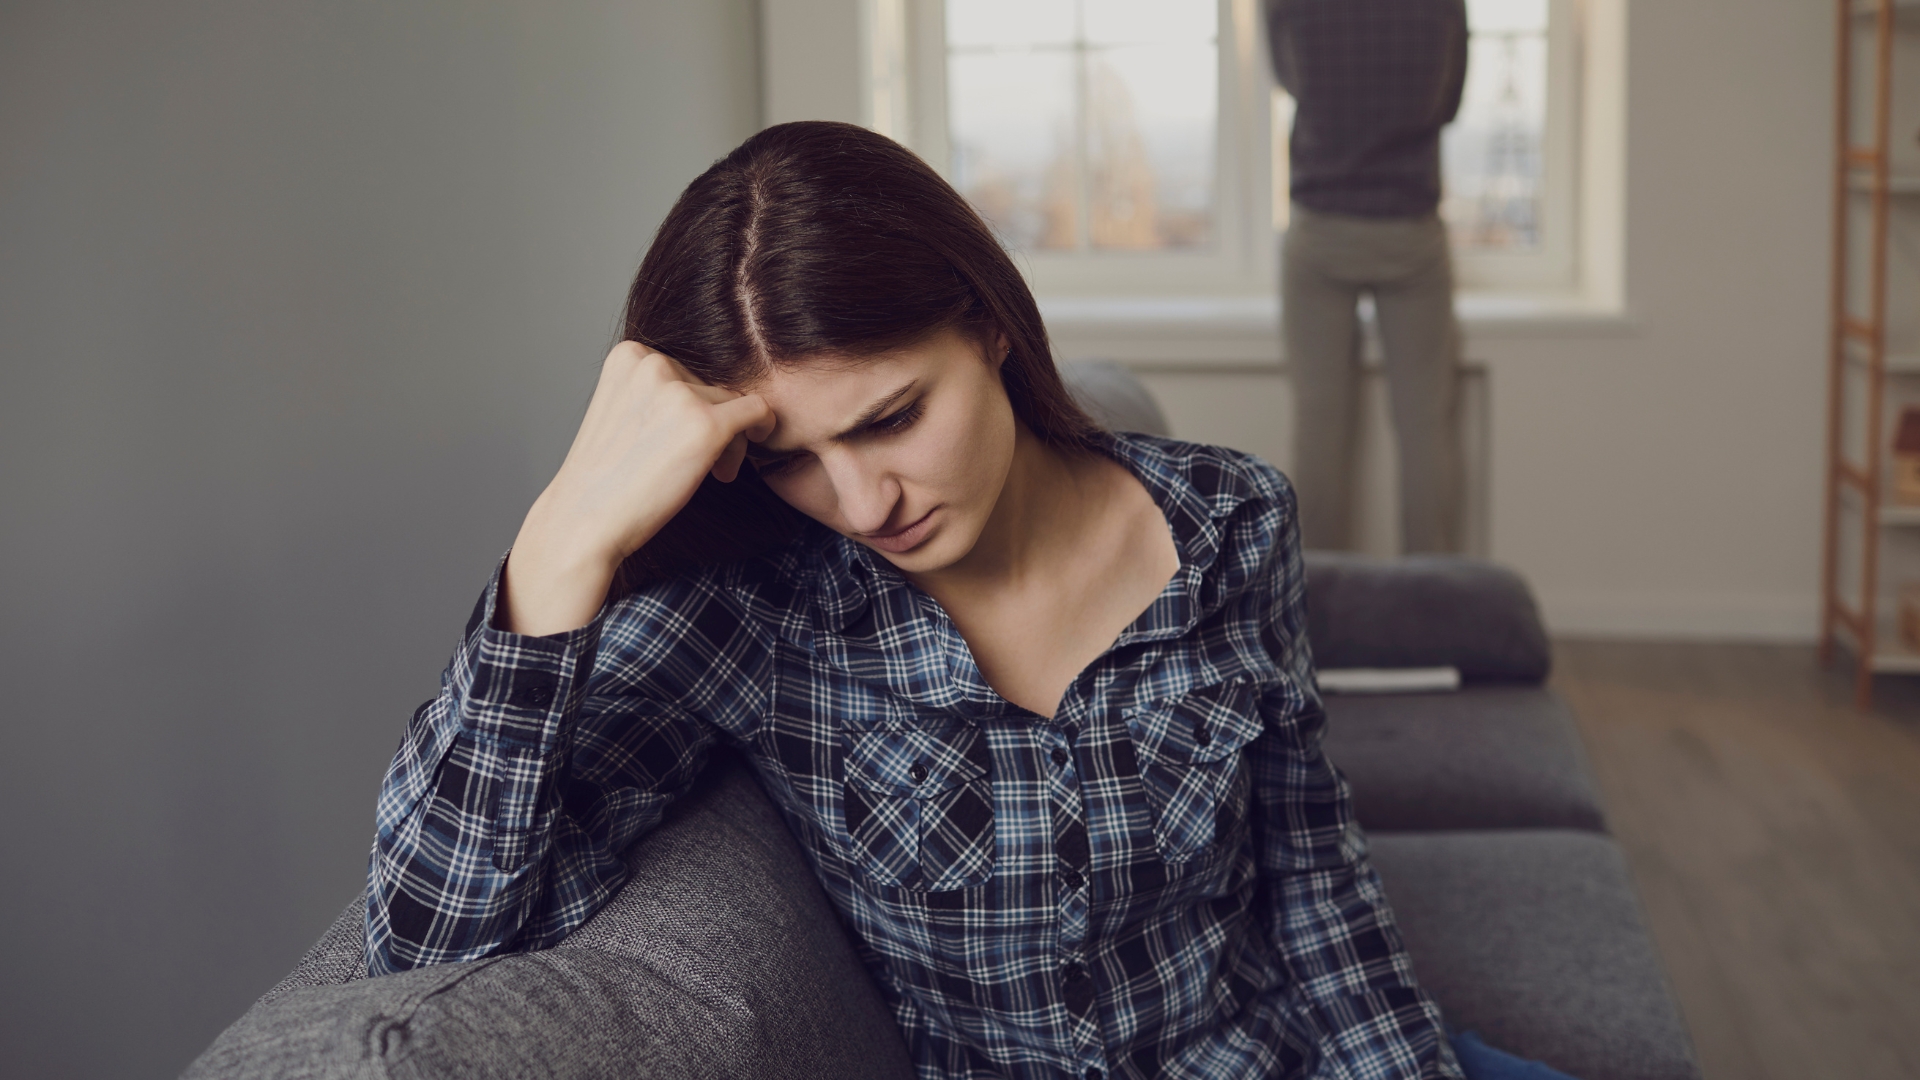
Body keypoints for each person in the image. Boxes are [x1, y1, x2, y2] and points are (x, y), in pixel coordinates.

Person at [365, 122, 1562, 1079]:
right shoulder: (753, 612)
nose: (861, 500)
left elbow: (1314, 878)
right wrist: (561, 547)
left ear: (988, 322)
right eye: (789, 458)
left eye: (890, 418)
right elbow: (424, 946)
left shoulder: (1232, 522)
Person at [1268, 0, 1469, 553]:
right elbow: (1448, 105)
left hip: (1322, 227)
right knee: (1426, 430)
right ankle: (1432, 592)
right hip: (1410, 227)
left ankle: (1320, 596)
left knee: (1318, 427)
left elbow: (1288, 78)